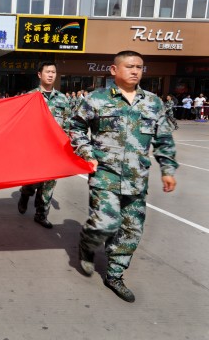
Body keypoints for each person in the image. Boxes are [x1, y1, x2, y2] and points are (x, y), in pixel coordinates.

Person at [70, 50, 177, 303]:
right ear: (114, 70)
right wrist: (87, 153)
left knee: (131, 229)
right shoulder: (96, 99)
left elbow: (163, 138)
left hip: (137, 178)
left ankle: (115, 275)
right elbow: (76, 127)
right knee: (106, 223)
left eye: (139, 67)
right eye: (129, 66)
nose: (135, 71)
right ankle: (87, 243)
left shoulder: (153, 103)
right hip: (104, 174)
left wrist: (168, 170)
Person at [16, 61, 70, 229]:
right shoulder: (30, 96)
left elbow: (68, 124)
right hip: (35, 148)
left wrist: (68, 146)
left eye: (53, 72)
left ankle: (41, 214)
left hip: (54, 149)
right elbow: (22, 123)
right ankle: (25, 194)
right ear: (40, 74)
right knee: (32, 179)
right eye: (47, 71)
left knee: (49, 182)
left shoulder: (63, 99)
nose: (51, 75)